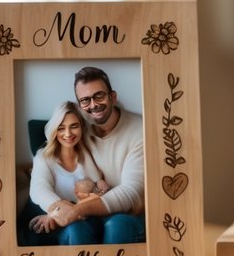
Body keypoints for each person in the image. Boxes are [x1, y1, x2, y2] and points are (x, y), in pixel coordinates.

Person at [42, 66, 146, 244]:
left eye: (99, 96)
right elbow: (52, 159)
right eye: (85, 100)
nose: (93, 105)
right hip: (93, 212)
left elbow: (132, 192)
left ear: (112, 97)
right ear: (80, 106)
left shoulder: (140, 130)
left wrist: (76, 210)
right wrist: (56, 211)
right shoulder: (79, 130)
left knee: (117, 225)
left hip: (131, 215)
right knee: (76, 228)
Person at [27, 102, 106, 243]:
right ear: (54, 130)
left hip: (87, 220)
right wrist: (57, 212)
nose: (68, 134)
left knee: (79, 227)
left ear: (82, 127)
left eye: (74, 126)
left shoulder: (89, 155)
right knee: (75, 228)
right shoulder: (43, 157)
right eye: (61, 128)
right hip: (58, 225)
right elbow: (39, 189)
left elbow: (99, 188)